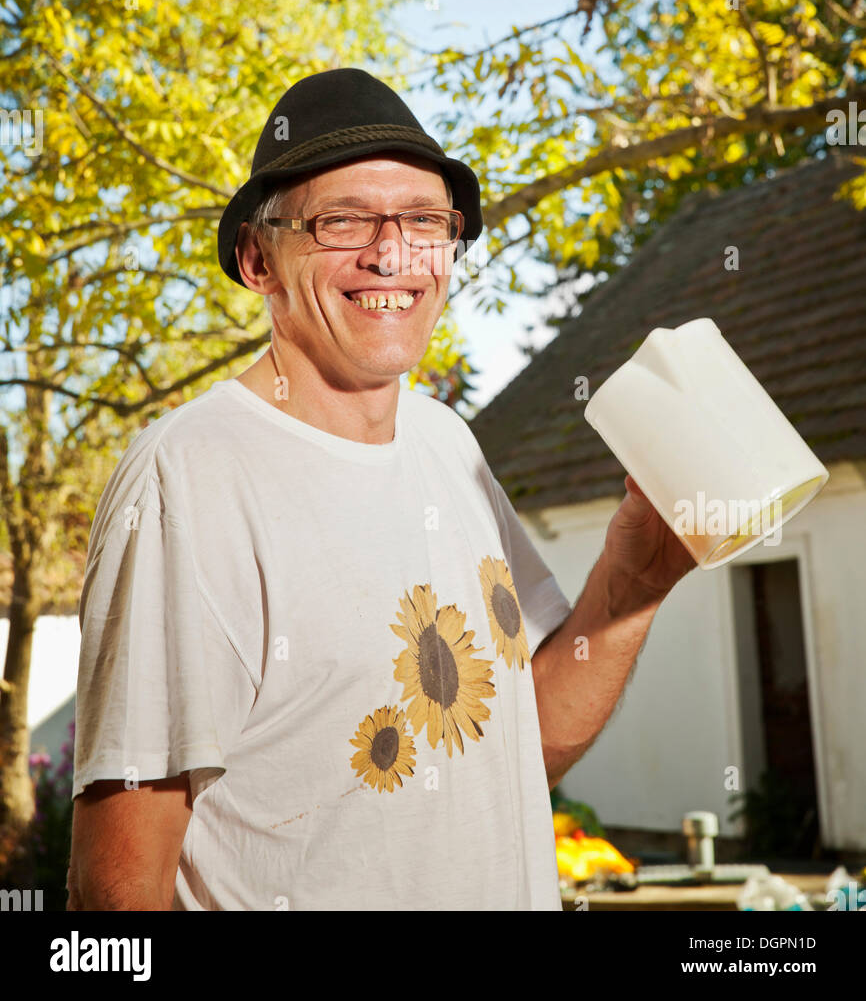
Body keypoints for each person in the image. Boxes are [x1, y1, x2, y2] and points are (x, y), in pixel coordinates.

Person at [67, 66, 696, 912]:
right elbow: (117, 897)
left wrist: (636, 584)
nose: (393, 253)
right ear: (259, 259)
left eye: (425, 221)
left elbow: (519, 747)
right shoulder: (189, 480)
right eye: (344, 221)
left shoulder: (446, 440)